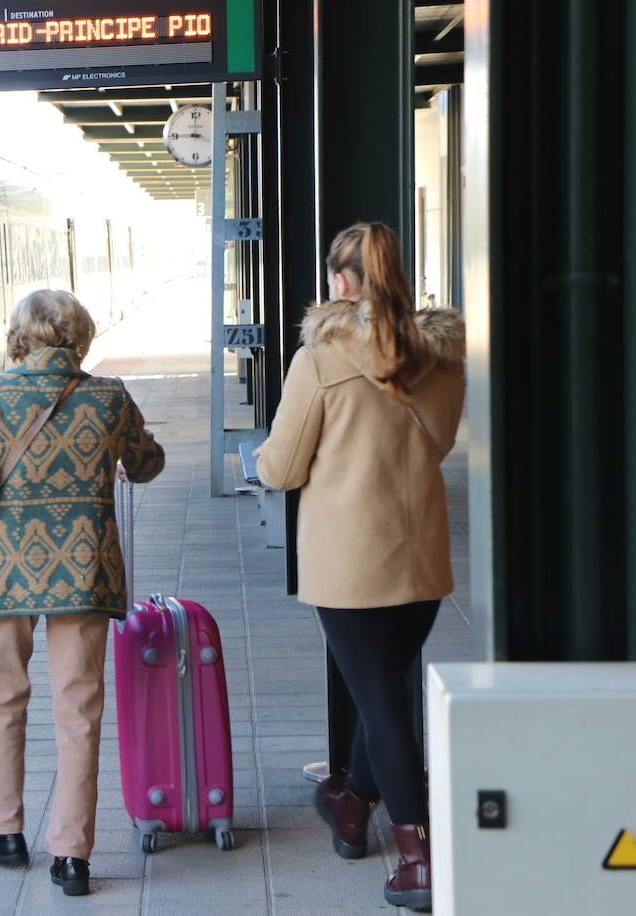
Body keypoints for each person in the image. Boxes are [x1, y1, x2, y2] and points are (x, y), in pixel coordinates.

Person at [255, 222, 464, 912]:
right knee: (383, 691)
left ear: (342, 283)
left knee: (382, 702)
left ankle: (416, 858)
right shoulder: (442, 355)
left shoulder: (320, 356)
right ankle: (349, 809)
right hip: (420, 556)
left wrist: (261, 463)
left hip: (349, 563)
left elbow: (282, 468)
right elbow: (436, 448)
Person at [0, 290, 164, 897]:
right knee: (79, 710)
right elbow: (147, 465)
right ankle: (72, 856)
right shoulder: (108, 396)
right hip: (84, 572)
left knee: (5, 697)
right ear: (80, 336)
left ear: (20, 337)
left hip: (7, 573)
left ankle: (6, 832)